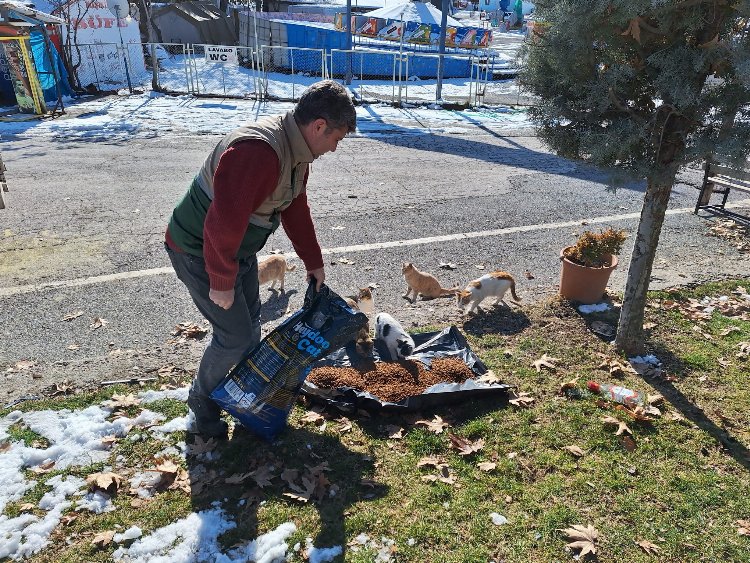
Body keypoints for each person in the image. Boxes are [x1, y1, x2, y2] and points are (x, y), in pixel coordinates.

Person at [164, 80, 357, 439]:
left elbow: (294, 207)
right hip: (198, 249)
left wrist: (313, 261)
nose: (333, 148)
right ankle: (202, 406)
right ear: (318, 127)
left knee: (251, 331)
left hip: (238, 251)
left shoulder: (296, 155)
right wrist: (221, 281)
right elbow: (220, 223)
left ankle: (242, 400)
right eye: (336, 138)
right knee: (234, 338)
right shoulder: (257, 152)